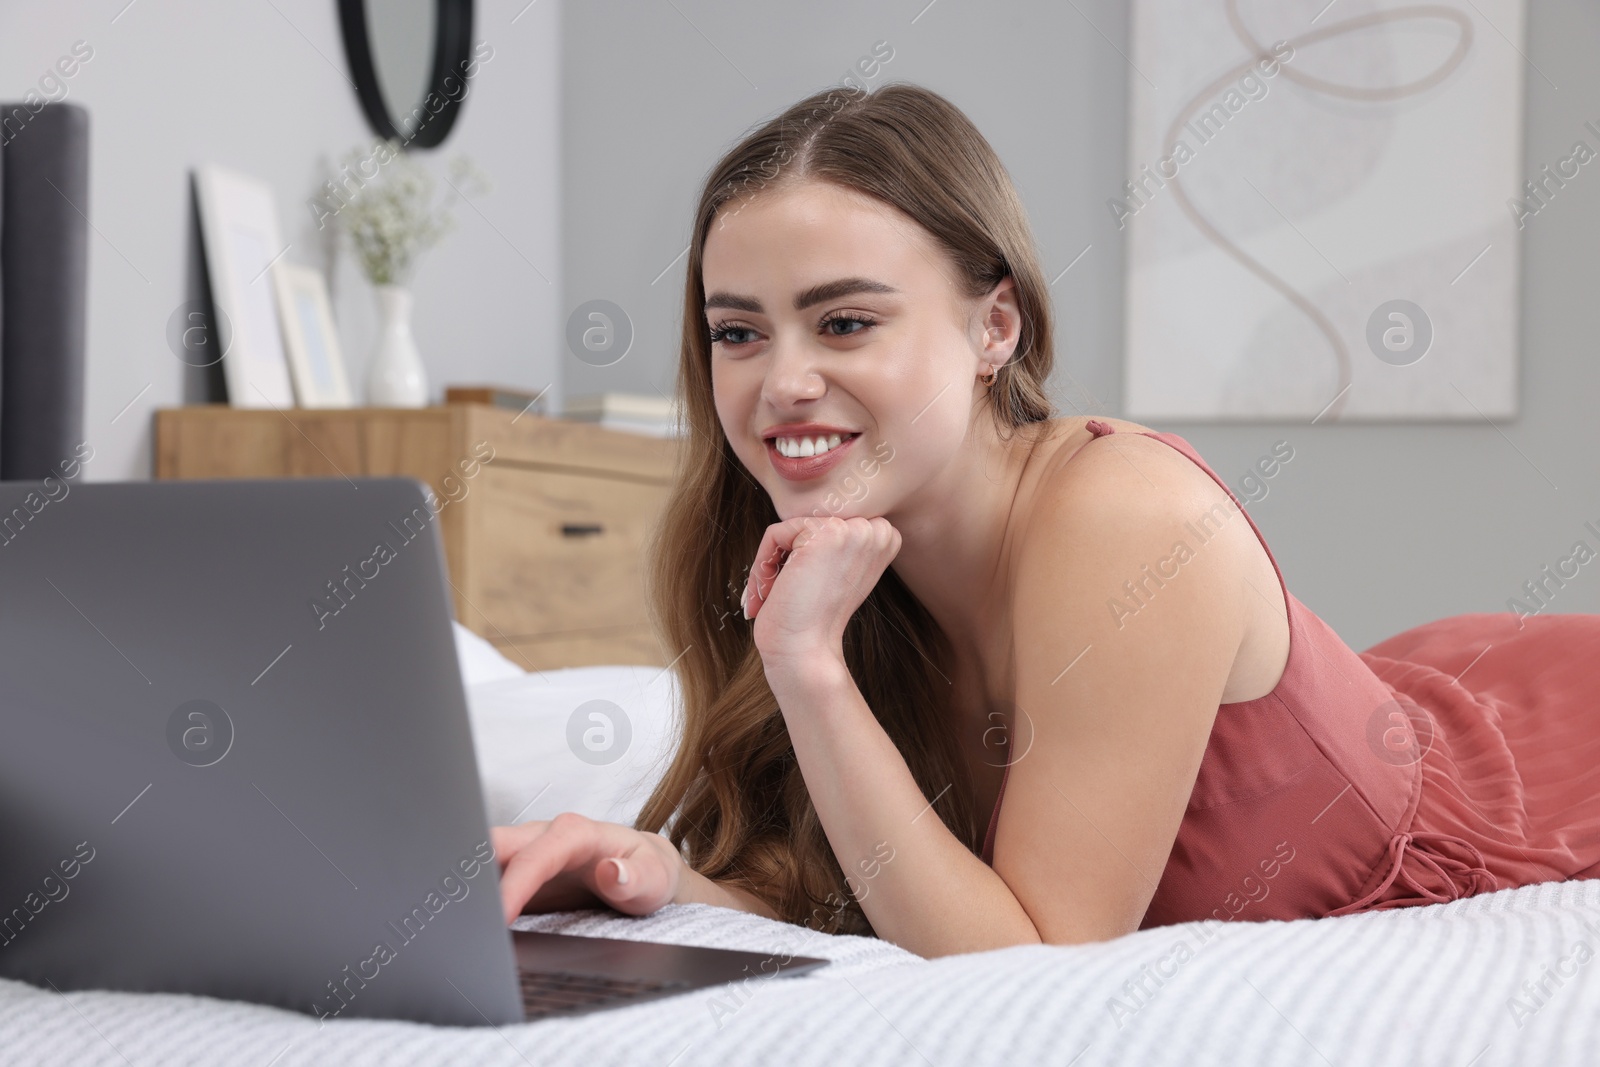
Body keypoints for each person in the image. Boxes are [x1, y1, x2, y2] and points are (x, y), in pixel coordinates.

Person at [492, 82, 1600, 959]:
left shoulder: (1126, 516)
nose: (780, 381)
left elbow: (1028, 957)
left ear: (996, 327)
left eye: (843, 321)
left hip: (1553, 758)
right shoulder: (824, 559)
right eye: (738, 332)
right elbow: (860, 888)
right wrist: (661, 874)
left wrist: (809, 670)